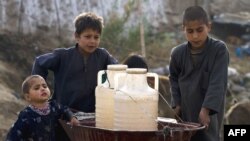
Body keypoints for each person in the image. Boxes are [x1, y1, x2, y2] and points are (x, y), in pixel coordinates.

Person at [31, 12, 118, 113]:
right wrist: (39, 92)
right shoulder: (63, 56)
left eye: (96, 37)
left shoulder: (103, 56)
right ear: (77, 36)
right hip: (62, 115)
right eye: (88, 36)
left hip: (91, 116)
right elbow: (39, 63)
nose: (92, 41)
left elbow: (118, 70)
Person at [169, 6, 229, 141]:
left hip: (209, 114)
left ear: (209, 27)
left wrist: (206, 109)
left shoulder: (219, 50)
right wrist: (177, 104)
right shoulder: (177, 54)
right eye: (190, 31)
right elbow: (173, 79)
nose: (195, 36)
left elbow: (218, 82)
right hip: (185, 113)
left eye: (200, 30)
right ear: (183, 29)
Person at [6, 75, 79, 141]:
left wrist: (72, 117)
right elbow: (14, 134)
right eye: (37, 88)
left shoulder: (54, 106)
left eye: (44, 86)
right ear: (28, 97)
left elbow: (65, 110)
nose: (42, 89)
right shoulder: (26, 115)